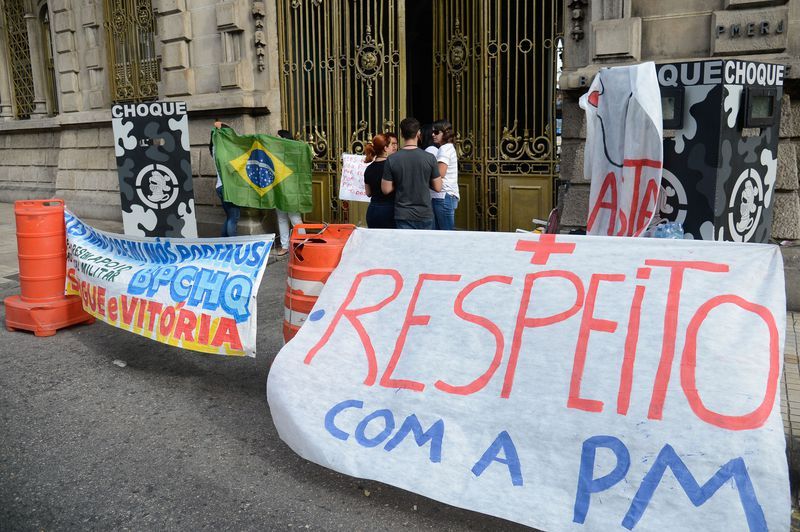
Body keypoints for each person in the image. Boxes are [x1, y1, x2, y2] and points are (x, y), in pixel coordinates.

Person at [381, 117, 442, 230]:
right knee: (425, 247)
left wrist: (400, 181)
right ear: (418, 133)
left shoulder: (392, 159)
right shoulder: (430, 158)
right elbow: (438, 187)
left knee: (405, 247)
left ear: (402, 134)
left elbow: (386, 189)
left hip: (403, 213)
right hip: (424, 213)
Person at [274, 129, 303, 256]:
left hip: (291, 190)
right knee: (282, 218)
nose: (274, 139)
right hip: (279, 189)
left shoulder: (294, 152)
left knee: (294, 218)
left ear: (283, 139)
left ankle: (303, 243)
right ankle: (285, 245)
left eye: (277, 137)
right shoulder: (275, 153)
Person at [210, 121, 240, 237]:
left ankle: (224, 243)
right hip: (228, 187)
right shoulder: (224, 150)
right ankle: (232, 247)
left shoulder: (215, 148)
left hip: (220, 186)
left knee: (229, 217)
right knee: (234, 218)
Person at [431, 119, 459, 231]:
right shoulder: (447, 148)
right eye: (433, 132)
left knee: (445, 235)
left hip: (443, 196)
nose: (433, 135)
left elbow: (440, 173)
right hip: (445, 196)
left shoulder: (444, 149)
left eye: (436, 132)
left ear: (445, 133)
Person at [362, 134, 394, 228]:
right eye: (391, 145)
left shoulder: (369, 168)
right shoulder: (391, 166)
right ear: (385, 148)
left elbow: (368, 193)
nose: (393, 147)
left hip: (373, 210)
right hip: (389, 210)